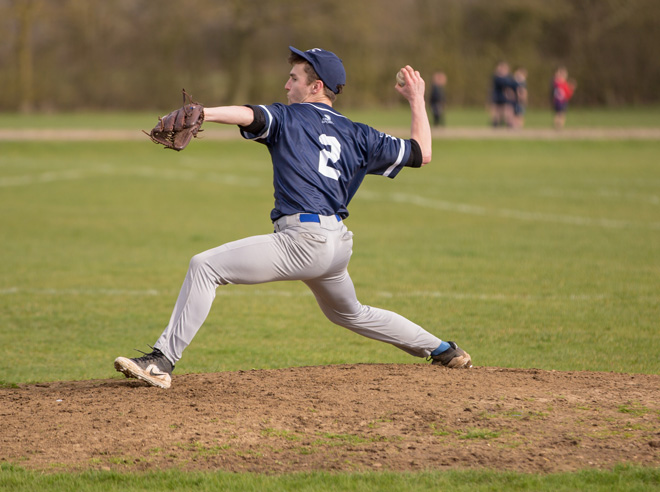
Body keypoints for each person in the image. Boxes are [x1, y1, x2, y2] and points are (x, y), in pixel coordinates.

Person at [114, 47, 472, 389]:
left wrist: (205, 112)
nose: (287, 85)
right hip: (336, 245)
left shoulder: (289, 117)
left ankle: (160, 363)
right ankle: (443, 350)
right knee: (351, 313)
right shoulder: (361, 133)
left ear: (316, 87)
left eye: (294, 78)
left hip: (301, 241)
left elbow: (250, 114)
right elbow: (421, 153)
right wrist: (417, 100)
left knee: (204, 267)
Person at [489, 61, 515, 127]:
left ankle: (509, 123)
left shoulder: (509, 77)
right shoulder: (497, 77)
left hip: (506, 96)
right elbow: (502, 84)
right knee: (497, 110)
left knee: (508, 109)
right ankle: (496, 123)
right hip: (498, 95)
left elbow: (511, 85)